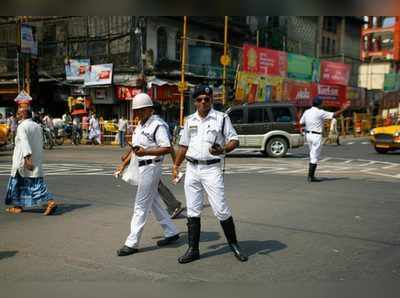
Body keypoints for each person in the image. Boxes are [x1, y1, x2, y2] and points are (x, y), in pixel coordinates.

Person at [173, 85, 248, 264]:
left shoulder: (222, 118)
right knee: (193, 210)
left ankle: (234, 244)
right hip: (192, 169)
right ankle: (193, 249)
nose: (203, 102)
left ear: (211, 100)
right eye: (200, 99)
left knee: (221, 209)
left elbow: (234, 140)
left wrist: (222, 149)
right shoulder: (189, 120)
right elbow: (183, 146)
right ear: (195, 102)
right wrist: (176, 165)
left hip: (212, 169)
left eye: (207, 98)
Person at [116, 93, 179, 257]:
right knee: (153, 202)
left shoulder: (158, 125)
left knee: (140, 205)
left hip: (151, 167)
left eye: (142, 110)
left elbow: (166, 147)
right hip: (142, 166)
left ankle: (132, 242)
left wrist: (147, 152)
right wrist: (124, 162)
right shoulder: (141, 125)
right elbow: (136, 148)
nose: (138, 113)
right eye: (136, 111)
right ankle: (171, 231)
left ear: (150, 109)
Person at [4, 106, 57, 215]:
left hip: (23, 160)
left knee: (32, 185)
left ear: (23, 114)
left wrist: (27, 159)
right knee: (18, 182)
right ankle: (17, 206)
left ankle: (50, 201)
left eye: (18, 113)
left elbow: (24, 143)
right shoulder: (36, 126)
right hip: (35, 158)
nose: (16, 115)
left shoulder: (22, 126)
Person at [300, 97, 350, 182]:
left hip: (308, 135)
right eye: (322, 103)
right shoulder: (320, 112)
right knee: (314, 156)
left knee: (312, 154)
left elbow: (301, 122)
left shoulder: (307, 111)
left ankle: (310, 176)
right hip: (316, 136)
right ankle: (311, 177)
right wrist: (344, 109)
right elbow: (334, 115)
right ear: (319, 104)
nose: (323, 104)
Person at [152, 102, 185, 219]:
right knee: (155, 184)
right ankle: (172, 205)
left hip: (151, 158)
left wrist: (176, 165)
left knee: (155, 184)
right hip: (153, 157)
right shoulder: (163, 124)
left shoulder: (156, 124)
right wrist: (175, 164)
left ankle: (174, 205)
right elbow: (170, 146)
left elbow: (168, 146)